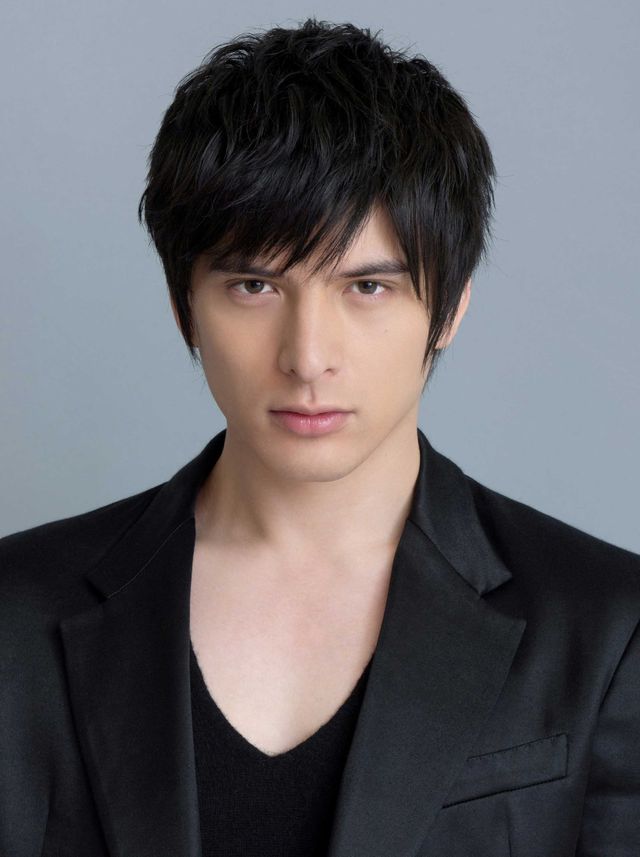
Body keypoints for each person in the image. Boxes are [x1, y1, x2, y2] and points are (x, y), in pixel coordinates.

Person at [1, 17, 639, 857]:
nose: (307, 357)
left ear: (449, 308)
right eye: (255, 285)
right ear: (184, 306)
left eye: (367, 287)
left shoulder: (605, 625)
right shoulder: (16, 612)